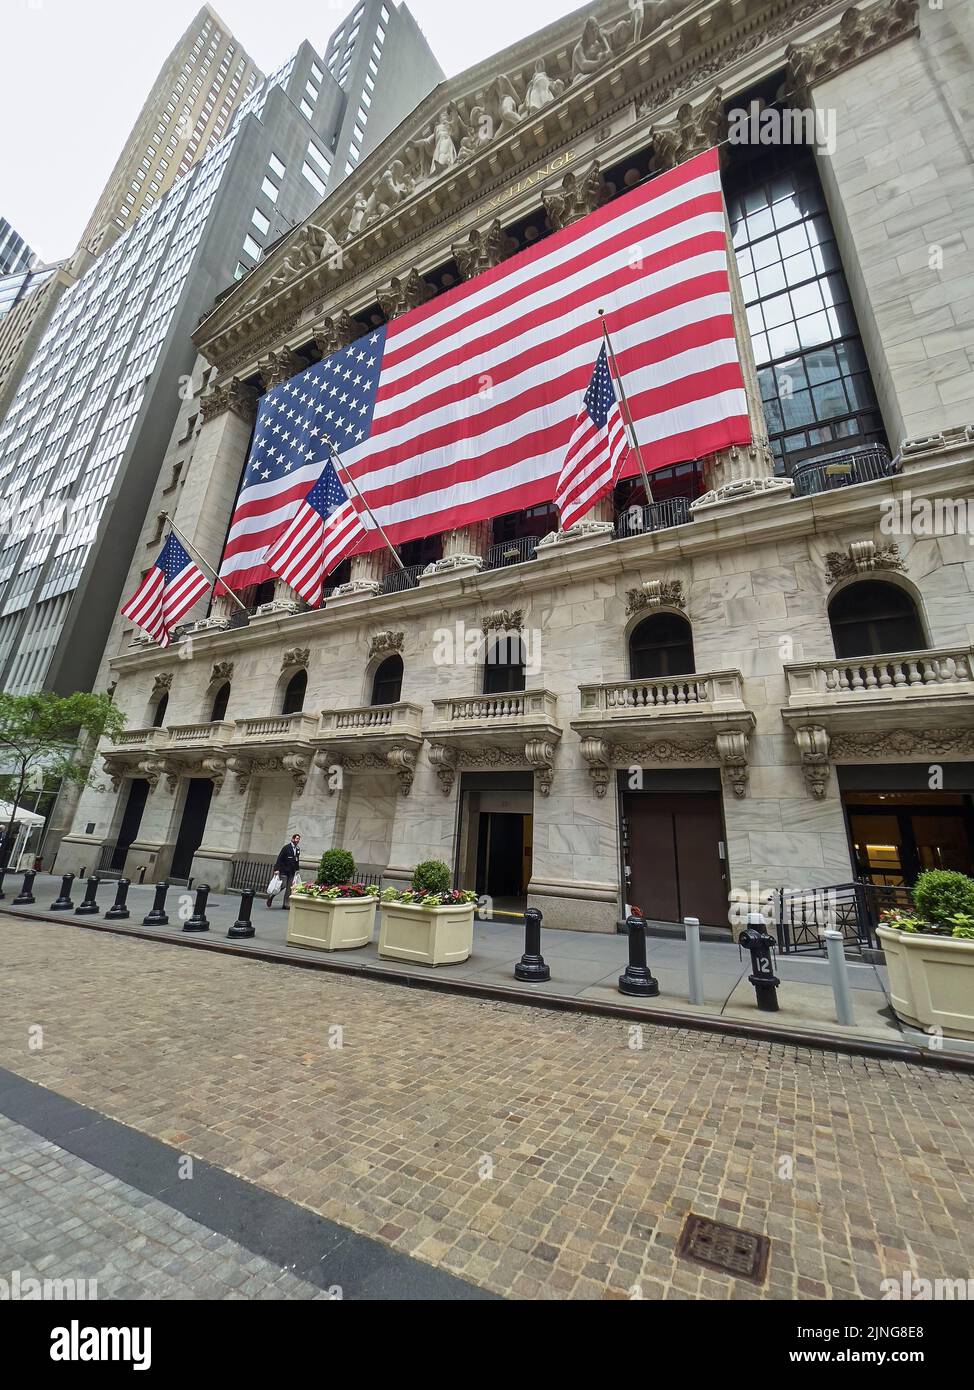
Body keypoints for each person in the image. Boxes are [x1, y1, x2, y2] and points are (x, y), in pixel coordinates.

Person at [268, 833, 301, 908]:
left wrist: (297, 869)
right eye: (296, 838)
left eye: (298, 839)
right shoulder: (286, 848)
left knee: (289, 888)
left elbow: (297, 860)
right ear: (292, 839)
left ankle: (286, 904)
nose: (297, 840)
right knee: (282, 885)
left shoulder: (298, 849)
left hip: (292, 871)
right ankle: (272, 896)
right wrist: (276, 869)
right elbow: (280, 858)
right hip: (284, 870)